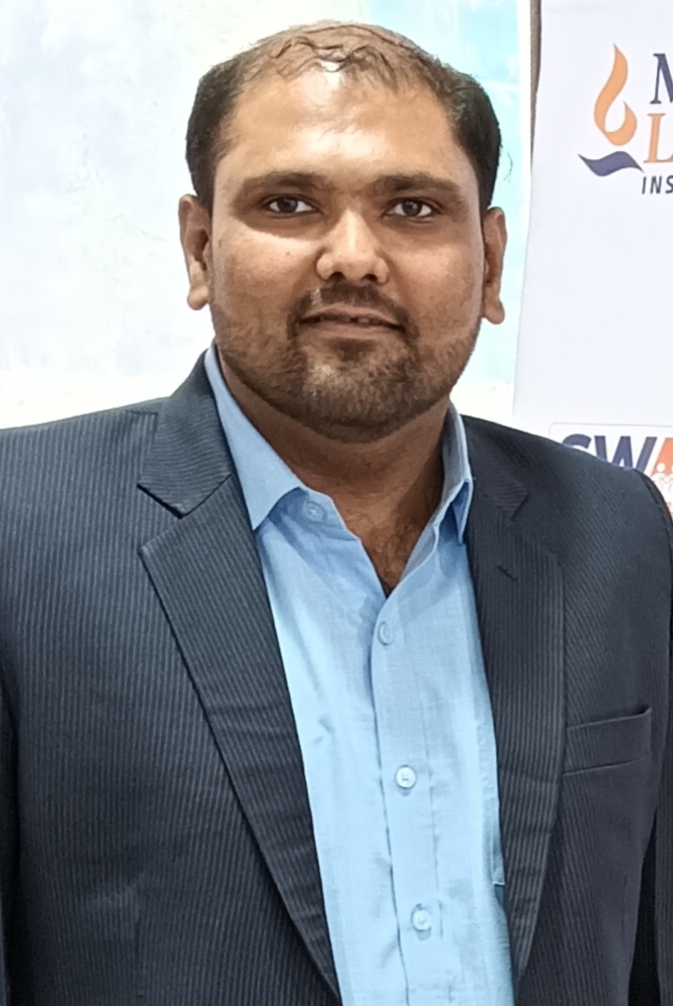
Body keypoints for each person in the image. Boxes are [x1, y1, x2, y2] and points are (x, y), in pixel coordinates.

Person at [0, 20, 671, 1006]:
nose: (352, 256)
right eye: (289, 203)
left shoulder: (618, 535)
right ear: (199, 247)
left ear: (489, 260)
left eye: (411, 207)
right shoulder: (21, 530)